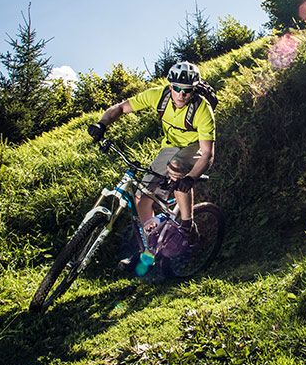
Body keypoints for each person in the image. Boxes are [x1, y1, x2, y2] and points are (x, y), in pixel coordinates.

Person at [87, 61, 214, 245]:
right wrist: (102, 124)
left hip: (195, 147)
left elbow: (208, 154)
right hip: (169, 147)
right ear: (170, 85)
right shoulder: (158, 95)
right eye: (177, 88)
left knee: (177, 168)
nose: (181, 94)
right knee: (141, 197)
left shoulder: (202, 109)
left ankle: (188, 226)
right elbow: (121, 107)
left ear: (194, 89)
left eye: (187, 90)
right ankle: (152, 245)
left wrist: (191, 178)